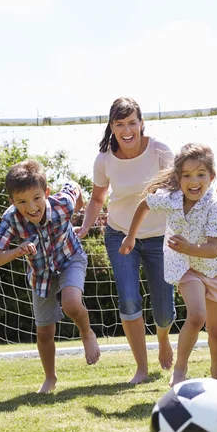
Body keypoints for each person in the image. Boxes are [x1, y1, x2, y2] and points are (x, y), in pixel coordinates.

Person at [76, 97, 175, 384]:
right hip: (119, 234)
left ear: (142, 123)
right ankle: (141, 368)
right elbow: (97, 198)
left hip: (158, 237)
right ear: (112, 127)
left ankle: (164, 338)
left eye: (132, 122)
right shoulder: (104, 159)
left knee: (164, 312)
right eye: (120, 124)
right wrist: (84, 227)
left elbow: (176, 190)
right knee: (129, 300)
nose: (127, 129)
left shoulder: (160, 152)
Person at [119, 143, 217, 386]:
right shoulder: (171, 199)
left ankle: (216, 373)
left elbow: (213, 249)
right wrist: (131, 236)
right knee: (196, 316)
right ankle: (180, 369)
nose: (194, 181)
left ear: (211, 177)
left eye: (201, 174)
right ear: (178, 178)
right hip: (186, 265)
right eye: (187, 175)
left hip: (216, 267)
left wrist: (188, 247)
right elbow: (145, 205)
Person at [0, 159, 100, 393]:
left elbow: (74, 186)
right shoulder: (11, 219)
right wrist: (16, 251)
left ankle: (87, 332)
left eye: (37, 198)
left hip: (70, 258)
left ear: (46, 192)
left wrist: (79, 210)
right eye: (22, 202)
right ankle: (50, 378)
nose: (32, 207)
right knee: (45, 332)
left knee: (71, 303)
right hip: (41, 274)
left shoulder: (62, 205)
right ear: (12, 202)